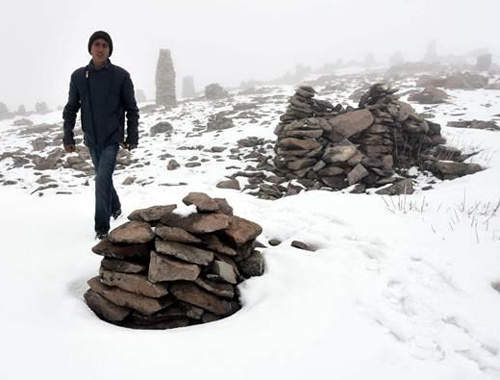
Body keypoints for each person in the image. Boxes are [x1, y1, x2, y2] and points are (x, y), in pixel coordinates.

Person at [62, 30, 139, 239]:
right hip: (91, 138)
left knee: (102, 178)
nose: (100, 48)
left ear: (109, 50)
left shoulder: (121, 76)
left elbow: (131, 108)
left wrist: (132, 136)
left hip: (112, 138)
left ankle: (101, 229)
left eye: (105, 45)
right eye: (97, 44)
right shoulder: (78, 76)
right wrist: (67, 136)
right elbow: (71, 108)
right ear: (90, 48)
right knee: (104, 179)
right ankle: (115, 207)